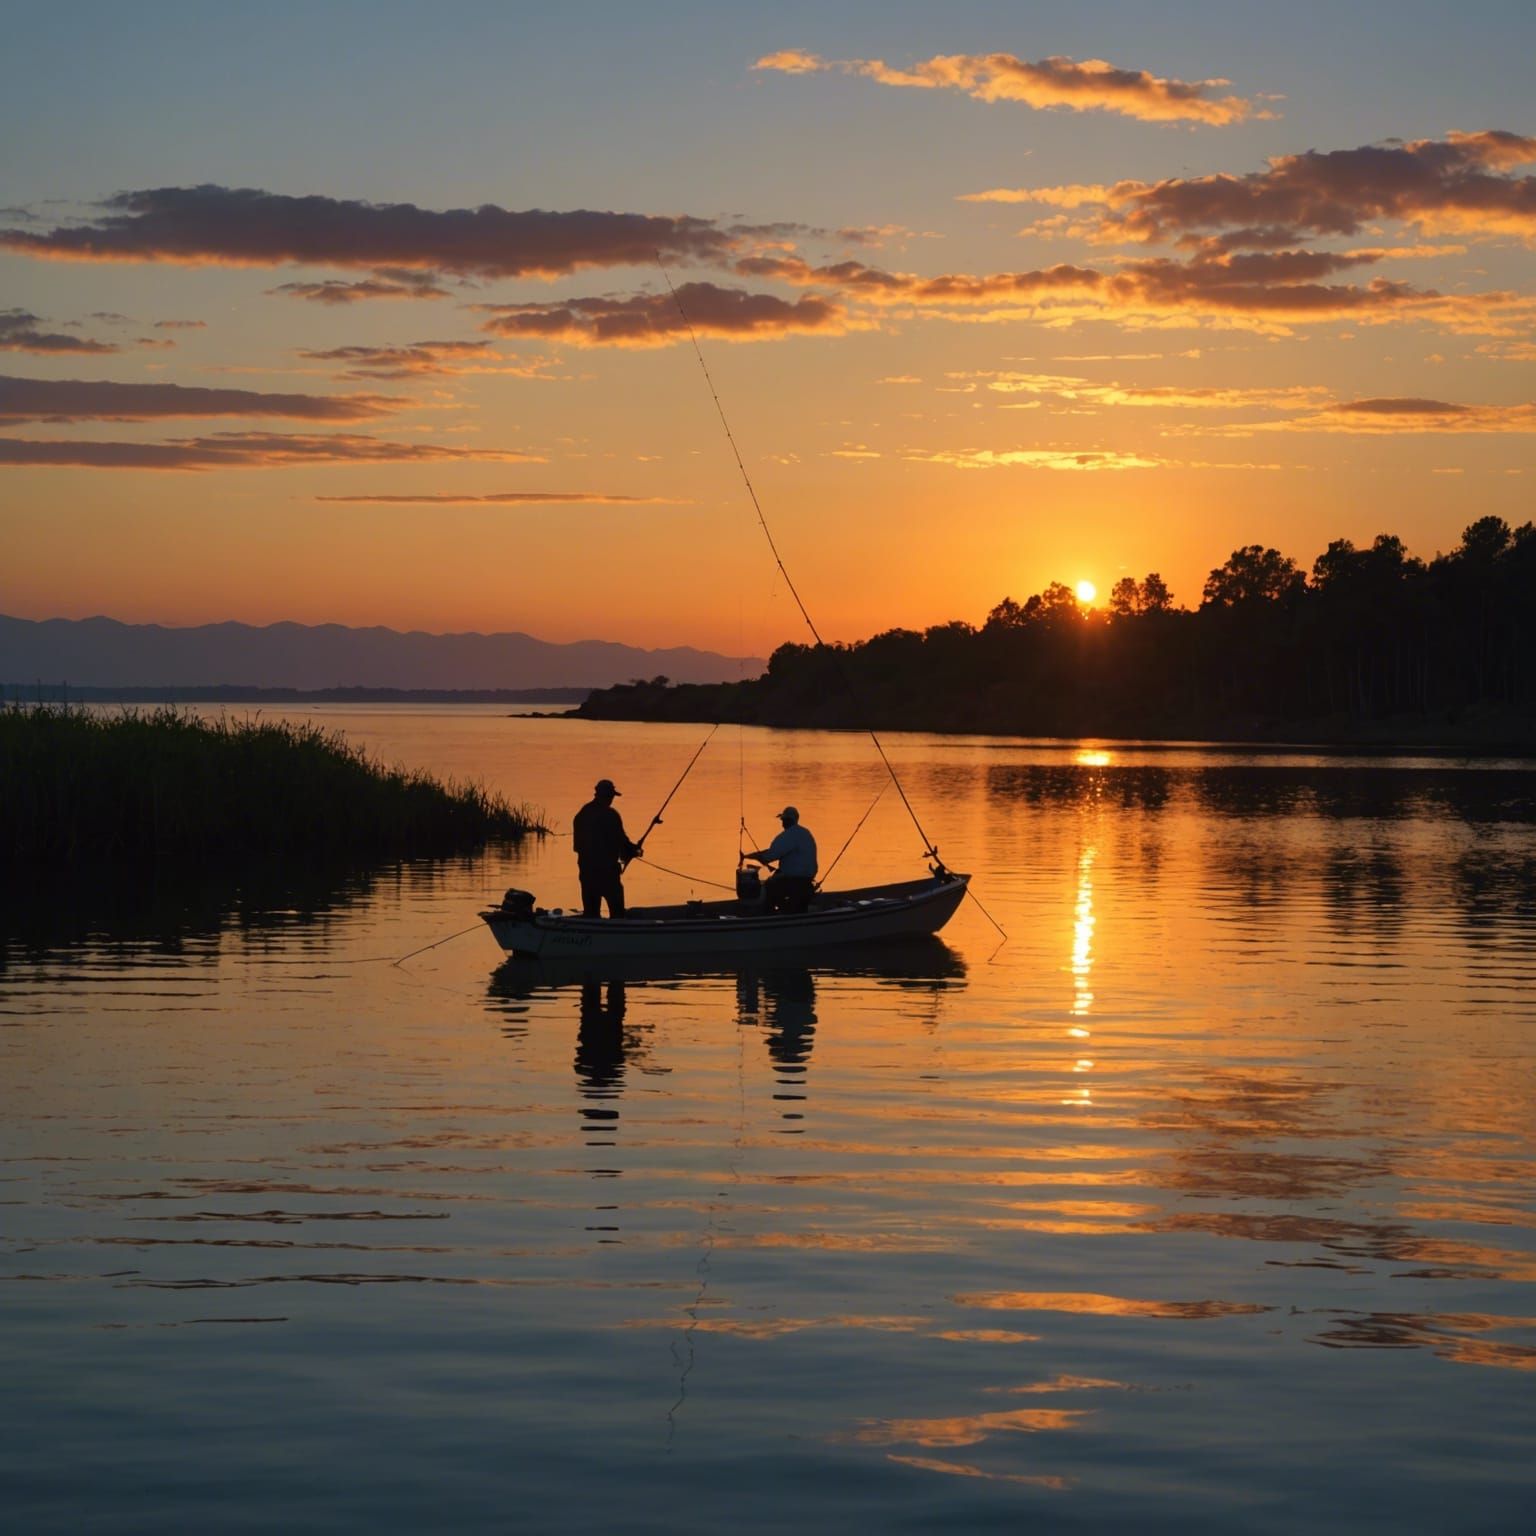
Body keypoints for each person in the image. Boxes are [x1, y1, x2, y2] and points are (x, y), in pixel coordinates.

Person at [572, 778, 641, 918]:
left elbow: (578, 847)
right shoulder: (611, 815)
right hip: (608, 874)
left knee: (591, 915)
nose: (611, 800)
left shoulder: (582, 814)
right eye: (611, 797)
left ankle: (591, 938)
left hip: (587, 874)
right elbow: (622, 842)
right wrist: (633, 850)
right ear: (607, 796)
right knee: (618, 915)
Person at [745, 806, 818, 914]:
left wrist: (750, 857)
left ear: (784, 821)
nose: (782, 823)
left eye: (783, 820)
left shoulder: (786, 836)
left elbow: (769, 857)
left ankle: (769, 916)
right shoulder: (806, 833)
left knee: (768, 887)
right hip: (808, 881)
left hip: (793, 882)